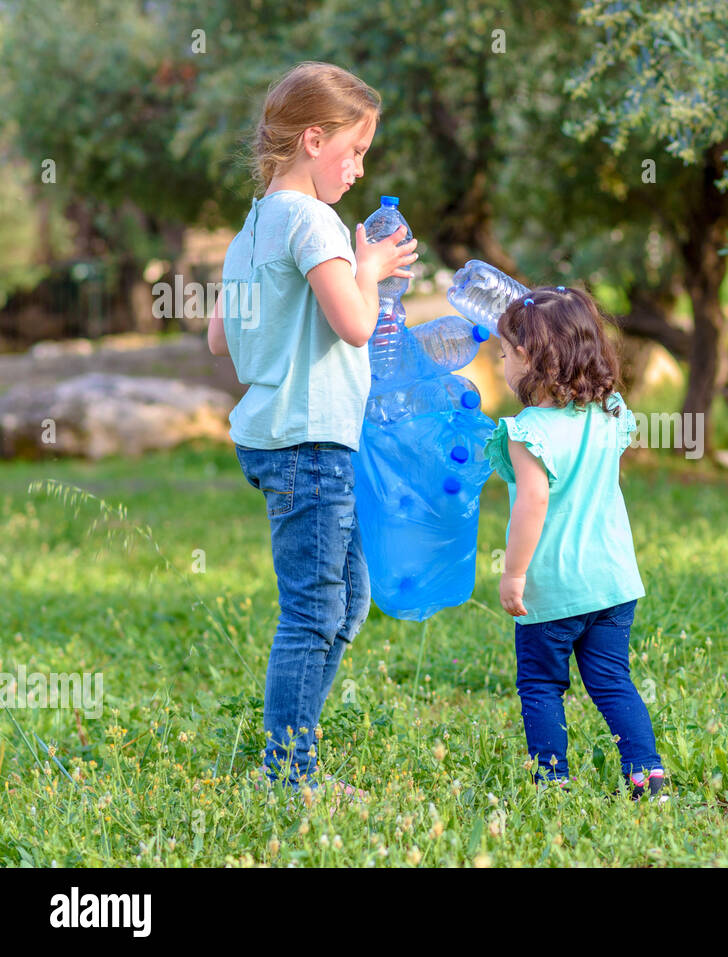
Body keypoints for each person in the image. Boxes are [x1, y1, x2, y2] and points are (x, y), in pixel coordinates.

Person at [206, 61, 417, 795]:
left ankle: (292, 748)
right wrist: (369, 265)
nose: (359, 168)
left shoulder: (255, 224)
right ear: (313, 139)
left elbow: (218, 339)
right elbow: (356, 324)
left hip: (284, 437)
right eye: (353, 151)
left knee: (346, 601)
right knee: (314, 611)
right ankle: (289, 775)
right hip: (309, 441)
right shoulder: (312, 220)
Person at [485, 285, 666, 802]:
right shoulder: (611, 410)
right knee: (611, 680)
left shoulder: (527, 431)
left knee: (542, 685)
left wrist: (514, 573)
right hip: (612, 582)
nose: (500, 363)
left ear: (526, 358)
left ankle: (552, 783)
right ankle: (646, 776)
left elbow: (531, 505)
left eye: (503, 353)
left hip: (553, 587)